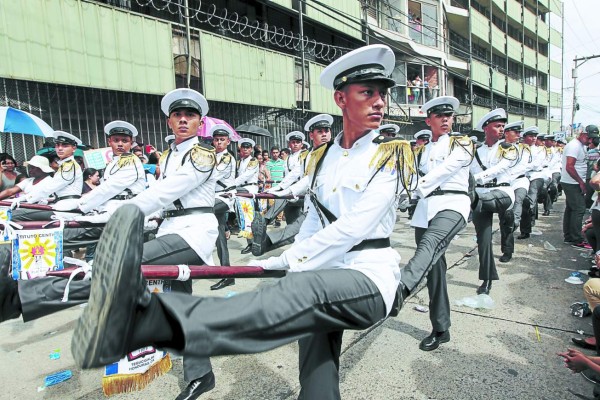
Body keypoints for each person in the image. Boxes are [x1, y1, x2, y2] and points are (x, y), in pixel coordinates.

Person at [70, 44, 423, 400]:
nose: (379, 102)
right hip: (322, 269)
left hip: (366, 271)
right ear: (340, 99)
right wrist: (295, 258)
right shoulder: (322, 158)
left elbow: (354, 228)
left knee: (300, 292)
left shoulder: (392, 153)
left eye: (383, 94)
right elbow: (315, 219)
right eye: (368, 93)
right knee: (316, 375)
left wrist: (288, 261)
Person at [0, 89, 221, 400]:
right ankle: (202, 374)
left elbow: (165, 192)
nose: (183, 120)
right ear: (169, 121)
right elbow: (157, 202)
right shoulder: (170, 155)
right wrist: (86, 209)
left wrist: (104, 211)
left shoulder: (203, 155)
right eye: (177, 116)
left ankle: (19, 298)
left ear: (200, 122)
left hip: (193, 233)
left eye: (190, 116)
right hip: (169, 227)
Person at [400, 96, 473, 351]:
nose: (445, 120)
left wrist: (414, 190)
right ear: (428, 119)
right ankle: (441, 328)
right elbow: (407, 177)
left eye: (449, 116)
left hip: (452, 205)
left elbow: (445, 171)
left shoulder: (462, 143)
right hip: (425, 209)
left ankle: (402, 287)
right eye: (440, 116)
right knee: (434, 269)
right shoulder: (420, 150)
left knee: (429, 245)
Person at [251, 114, 333, 256]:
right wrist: (278, 189)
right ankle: (264, 242)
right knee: (299, 237)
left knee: (299, 233)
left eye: (327, 131)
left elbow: (309, 179)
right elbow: (294, 174)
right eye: (320, 131)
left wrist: (287, 192)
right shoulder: (309, 155)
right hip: (312, 205)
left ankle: (265, 240)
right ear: (312, 135)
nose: (324, 134)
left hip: (328, 208)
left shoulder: (332, 152)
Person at [470, 108, 516, 295]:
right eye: (497, 126)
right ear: (486, 128)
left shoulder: (508, 148)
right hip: (481, 197)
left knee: (508, 222)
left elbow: (500, 168)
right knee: (484, 239)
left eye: (503, 126)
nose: (501, 129)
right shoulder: (474, 151)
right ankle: (487, 279)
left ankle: (508, 249)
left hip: (502, 192)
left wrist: (476, 179)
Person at [11, 131, 83, 221]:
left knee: (14, 216)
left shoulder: (69, 166)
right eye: (57, 145)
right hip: (60, 205)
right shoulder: (65, 165)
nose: (60, 148)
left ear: (74, 148)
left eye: (65, 146)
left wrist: (24, 198)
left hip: (66, 207)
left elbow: (48, 188)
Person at [209, 124, 237, 291]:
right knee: (220, 239)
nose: (219, 142)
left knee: (198, 213)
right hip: (213, 197)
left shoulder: (227, 158)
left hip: (224, 197)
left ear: (228, 142)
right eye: (216, 139)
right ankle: (228, 274)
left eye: (222, 140)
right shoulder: (212, 156)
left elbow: (212, 176)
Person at [562, 125, 599, 247]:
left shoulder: (580, 146)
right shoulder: (574, 146)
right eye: (588, 137)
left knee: (571, 209)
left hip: (573, 182)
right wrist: (581, 182)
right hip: (572, 182)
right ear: (583, 134)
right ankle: (576, 238)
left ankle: (569, 236)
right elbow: (570, 166)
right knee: (579, 209)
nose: (589, 141)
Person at [501, 121, 530, 259]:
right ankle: (506, 249)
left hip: (519, 181)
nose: (519, 135)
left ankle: (516, 222)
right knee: (505, 216)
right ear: (506, 133)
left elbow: (521, 167)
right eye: (515, 132)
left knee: (517, 203)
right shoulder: (498, 148)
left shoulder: (523, 149)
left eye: (519, 132)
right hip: (503, 184)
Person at [235, 138, 259, 254]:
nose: (245, 149)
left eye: (248, 148)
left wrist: (231, 185)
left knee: (248, 217)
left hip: (249, 188)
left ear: (251, 149)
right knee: (243, 216)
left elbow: (246, 176)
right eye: (243, 147)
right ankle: (250, 242)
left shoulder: (253, 161)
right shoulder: (239, 162)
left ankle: (252, 243)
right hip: (240, 189)